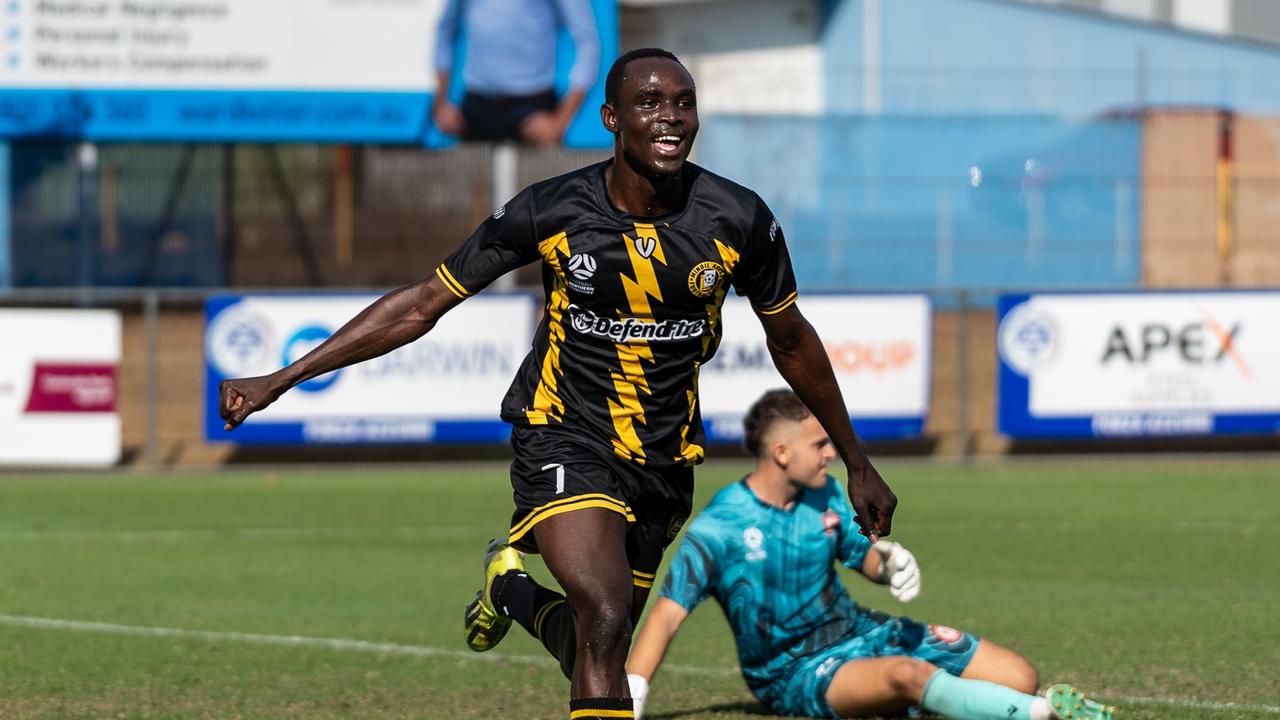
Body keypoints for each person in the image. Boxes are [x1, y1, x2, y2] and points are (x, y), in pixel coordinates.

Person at [219, 48, 897, 720]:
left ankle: (510, 591)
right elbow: (424, 302)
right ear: (610, 117)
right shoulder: (553, 209)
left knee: (598, 641)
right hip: (563, 436)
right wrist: (283, 377)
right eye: (650, 102)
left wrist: (857, 462)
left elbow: (792, 341)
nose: (671, 117)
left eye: (683, 103)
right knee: (603, 614)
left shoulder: (739, 219)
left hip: (663, 456)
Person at [624, 389, 1115, 720]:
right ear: (780, 453)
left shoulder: (826, 493)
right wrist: (631, 693)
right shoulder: (720, 526)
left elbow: (865, 558)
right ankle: (1042, 714)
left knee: (1018, 675)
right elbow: (666, 616)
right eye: (819, 444)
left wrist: (891, 562)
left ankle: (926, 697)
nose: (830, 454)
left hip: (861, 630)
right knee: (910, 675)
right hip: (793, 671)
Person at [432, 0, 600, 145]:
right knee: (471, 181)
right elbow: (445, 30)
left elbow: (587, 41)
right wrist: (440, 106)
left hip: (532, 110)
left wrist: (560, 121)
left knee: (540, 181)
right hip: (475, 108)